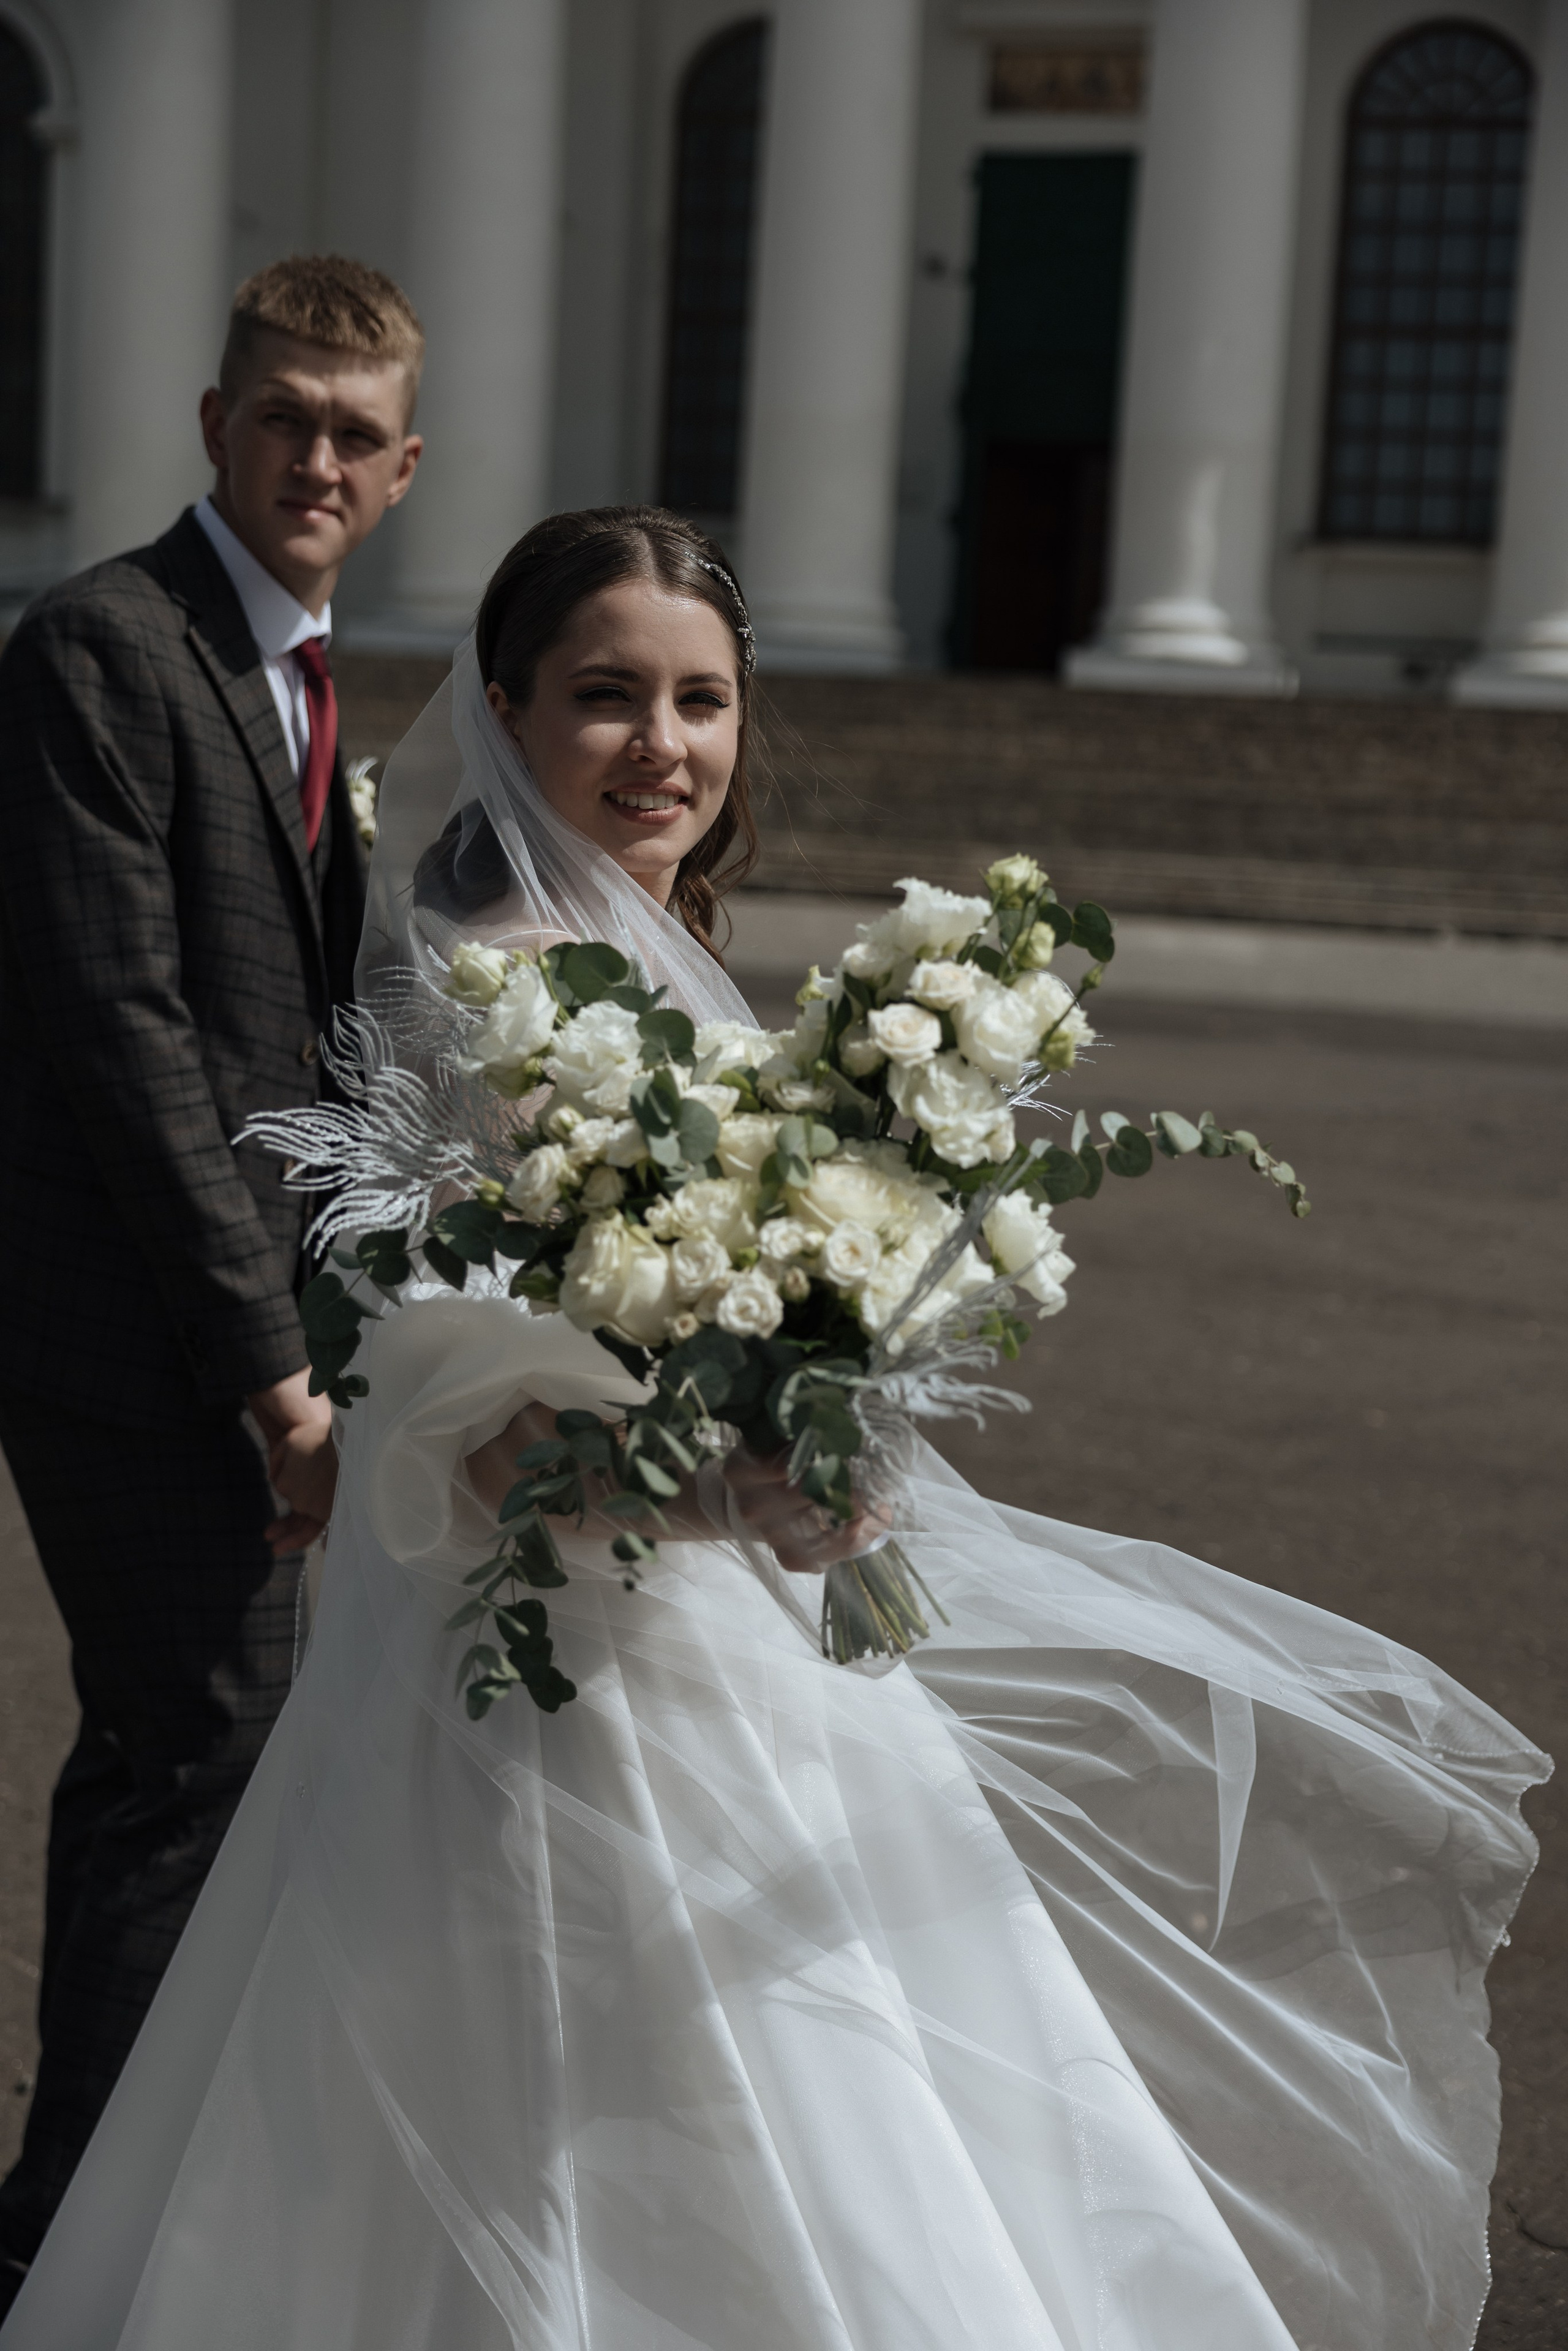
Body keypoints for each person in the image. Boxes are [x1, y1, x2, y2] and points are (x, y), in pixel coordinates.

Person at [1, 508, 1545, 2351]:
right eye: (608, 697)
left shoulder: (639, 937)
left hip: (717, 1629)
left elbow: (723, 1294)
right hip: (551, 1679)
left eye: (702, 701)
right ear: (503, 708)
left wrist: (827, 1437)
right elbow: (456, 1412)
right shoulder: (486, 975)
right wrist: (726, 1484)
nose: (664, 744)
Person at [0, 252, 423, 2311]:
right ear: (214, 429)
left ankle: (118, 2222)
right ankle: (60, 2252)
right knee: (197, 1752)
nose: (316, 457)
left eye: (356, 432)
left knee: (205, 1755)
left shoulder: (319, 684)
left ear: (405, 463)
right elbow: (122, 1025)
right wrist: (272, 1368)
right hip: (127, 1338)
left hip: (250, 1332)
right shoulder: (101, 647)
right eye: (285, 418)